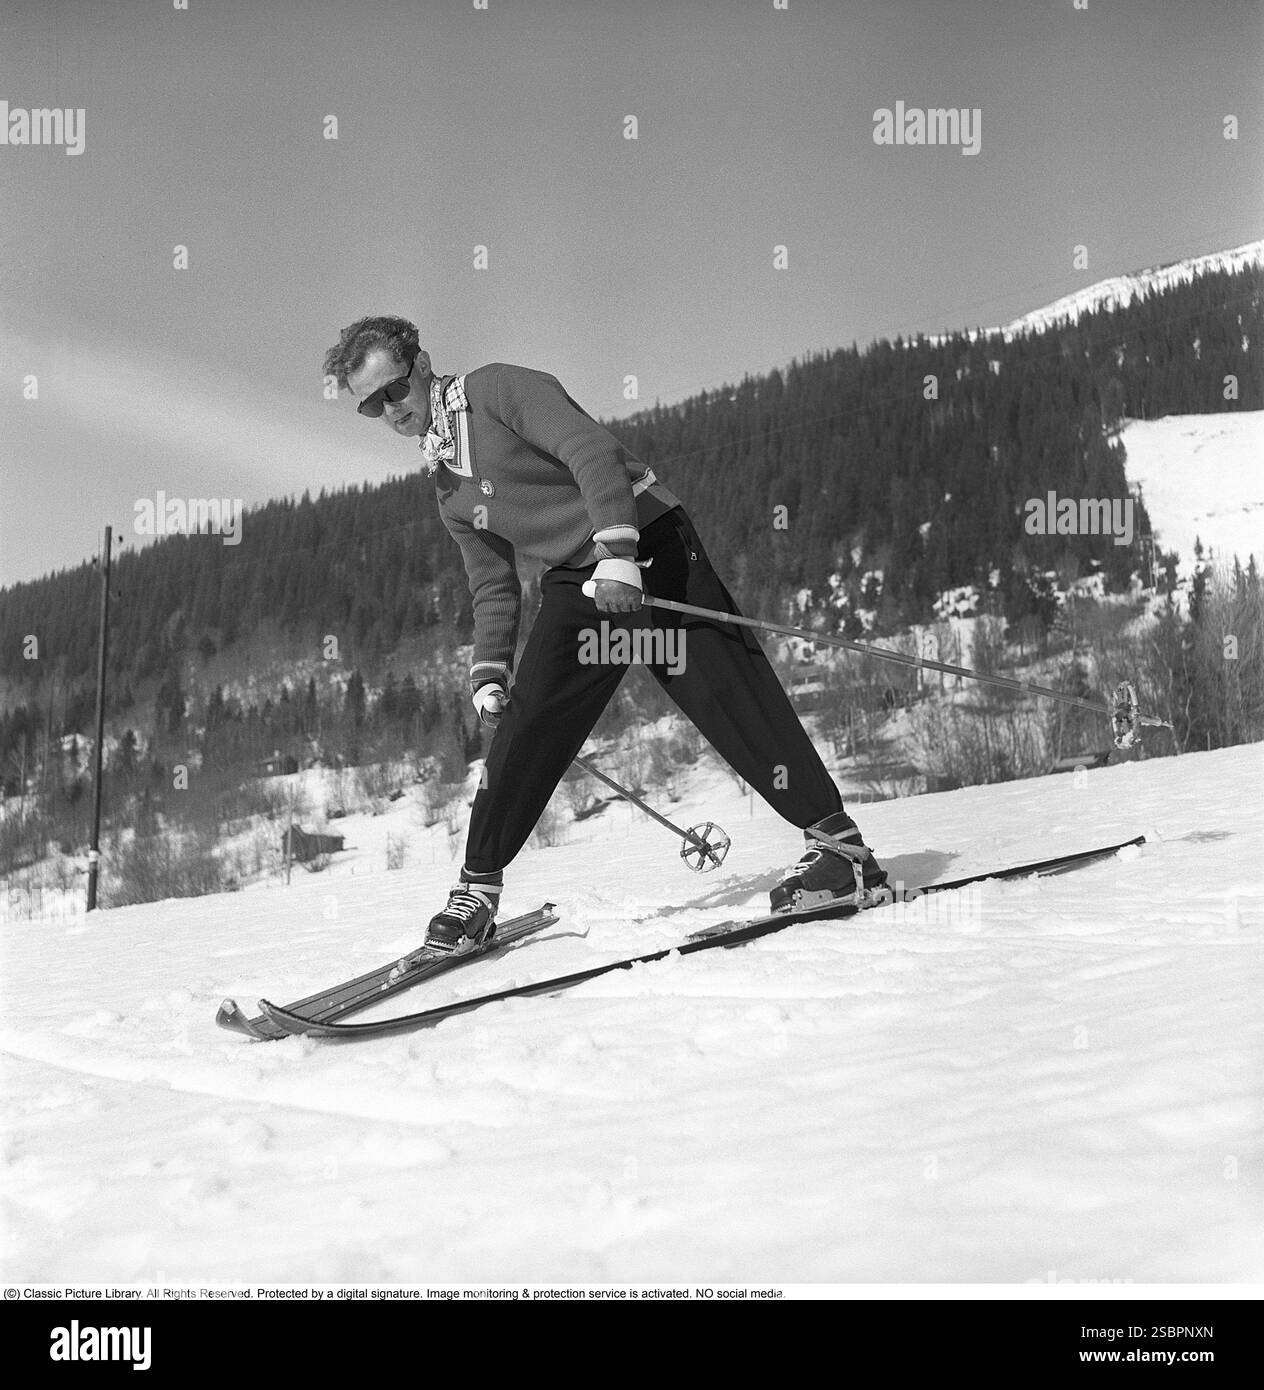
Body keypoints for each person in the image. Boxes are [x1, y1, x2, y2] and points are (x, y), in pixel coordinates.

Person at [322, 316, 887, 953]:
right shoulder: (447, 484)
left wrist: (619, 550)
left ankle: (839, 850)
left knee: (721, 688)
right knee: (529, 721)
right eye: (370, 406)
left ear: (421, 364)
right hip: (576, 579)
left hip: (645, 540)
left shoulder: (499, 390)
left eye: (392, 390)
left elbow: (590, 452)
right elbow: (492, 583)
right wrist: (488, 670)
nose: (389, 410)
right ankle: (477, 891)